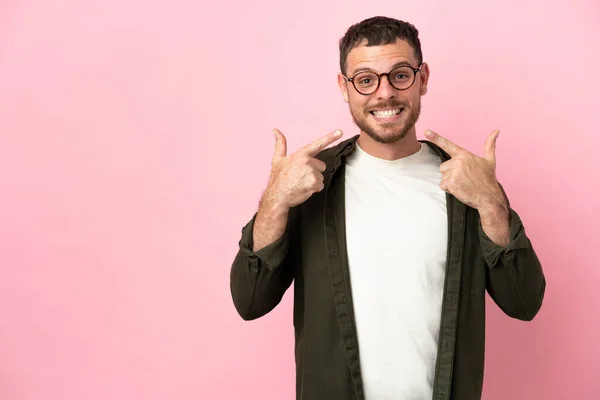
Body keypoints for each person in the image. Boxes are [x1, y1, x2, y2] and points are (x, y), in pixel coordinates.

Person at [229, 16, 546, 400]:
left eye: (399, 75)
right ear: (344, 88)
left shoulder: (467, 183)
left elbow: (524, 302)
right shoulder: (309, 184)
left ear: (422, 78)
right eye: (365, 79)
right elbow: (249, 301)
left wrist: (491, 203)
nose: (384, 94)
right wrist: (275, 201)